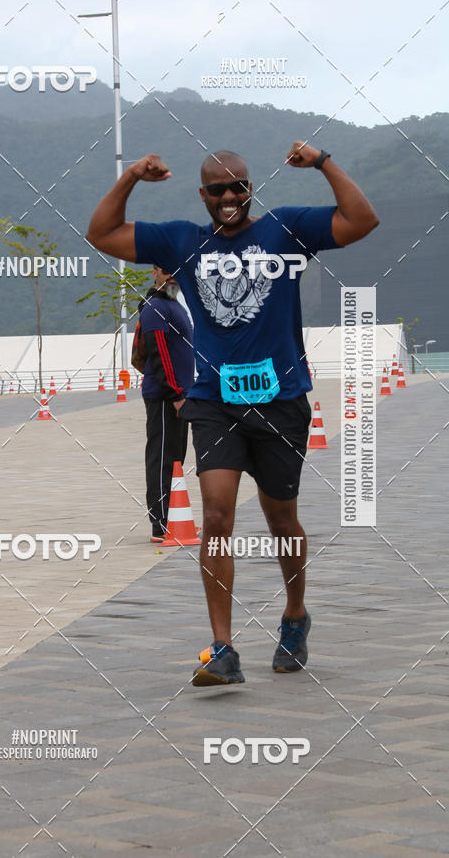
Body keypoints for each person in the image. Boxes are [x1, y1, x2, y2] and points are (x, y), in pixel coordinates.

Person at [86, 142, 378, 686]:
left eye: (237, 187)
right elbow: (101, 234)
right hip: (215, 402)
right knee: (217, 516)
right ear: (202, 194)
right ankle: (223, 648)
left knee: (281, 520)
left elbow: (362, 220)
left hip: (281, 401)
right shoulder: (182, 240)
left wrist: (323, 162)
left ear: (250, 190)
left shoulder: (285, 230)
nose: (228, 196)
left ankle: (295, 615)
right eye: (217, 189)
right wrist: (131, 176)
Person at [140, 265, 194, 543]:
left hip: (181, 395)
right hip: (165, 398)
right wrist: (175, 395)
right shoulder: (155, 308)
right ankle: (160, 524)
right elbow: (159, 354)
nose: (171, 274)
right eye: (164, 269)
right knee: (162, 458)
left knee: (176, 459)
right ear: (154, 273)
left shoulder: (175, 304)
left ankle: (175, 518)